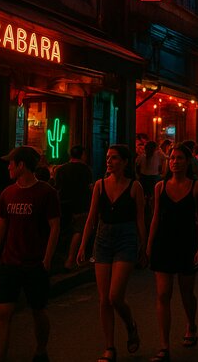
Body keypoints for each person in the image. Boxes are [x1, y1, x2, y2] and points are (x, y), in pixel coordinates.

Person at [0, 146, 61, 362]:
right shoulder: (7, 193)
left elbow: (55, 226)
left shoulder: (46, 192)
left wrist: (47, 259)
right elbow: (1, 228)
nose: (8, 167)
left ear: (21, 165)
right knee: (2, 313)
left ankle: (41, 350)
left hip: (35, 263)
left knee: (38, 310)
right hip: (10, 262)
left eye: (11, 163)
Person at [77, 145, 146, 362]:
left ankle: (130, 324)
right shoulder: (99, 185)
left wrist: (144, 246)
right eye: (108, 157)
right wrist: (83, 245)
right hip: (103, 239)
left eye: (114, 158)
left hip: (126, 238)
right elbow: (91, 218)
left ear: (125, 162)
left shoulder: (134, 187)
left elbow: (140, 219)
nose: (109, 161)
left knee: (115, 296)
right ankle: (109, 347)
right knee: (103, 299)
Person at [146, 144, 198, 362]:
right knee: (163, 294)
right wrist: (149, 244)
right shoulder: (160, 187)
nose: (175, 162)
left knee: (186, 292)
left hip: (187, 243)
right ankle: (164, 345)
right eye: (172, 158)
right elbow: (155, 217)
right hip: (164, 242)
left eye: (180, 158)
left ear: (188, 162)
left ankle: (191, 324)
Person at [56, 145, 94, 231]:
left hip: (63, 206)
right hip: (80, 207)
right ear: (82, 155)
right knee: (79, 231)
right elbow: (89, 187)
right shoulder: (86, 169)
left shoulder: (60, 169)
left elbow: (57, 188)